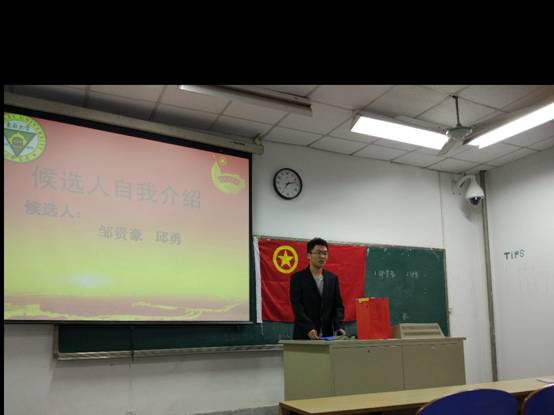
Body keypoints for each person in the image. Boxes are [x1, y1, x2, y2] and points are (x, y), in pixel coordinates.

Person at [290, 237, 346, 340]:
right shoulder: (298, 278)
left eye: (325, 253)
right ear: (309, 255)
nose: (322, 256)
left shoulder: (332, 279)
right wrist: (308, 328)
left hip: (327, 335)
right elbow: (297, 307)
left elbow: (338, 306)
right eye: (318, 253)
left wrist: (339, 326)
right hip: (304, 335)